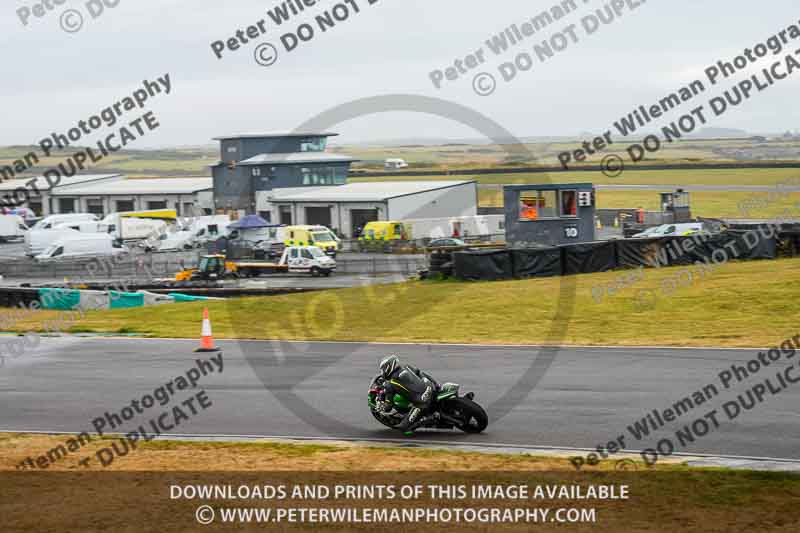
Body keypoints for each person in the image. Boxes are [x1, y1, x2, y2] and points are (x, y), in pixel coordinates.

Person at [375, 355, 437, 434]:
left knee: (403, 428)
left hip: (422, 402)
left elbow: (388, 407)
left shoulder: (391, 384)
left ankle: (429, 418)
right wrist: (435, 384)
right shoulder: (406, 367)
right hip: (429, 386)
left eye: (383, 369)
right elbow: (420, 373)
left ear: (388, 367)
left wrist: (380, 408)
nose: (383, 372)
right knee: (422, 376)